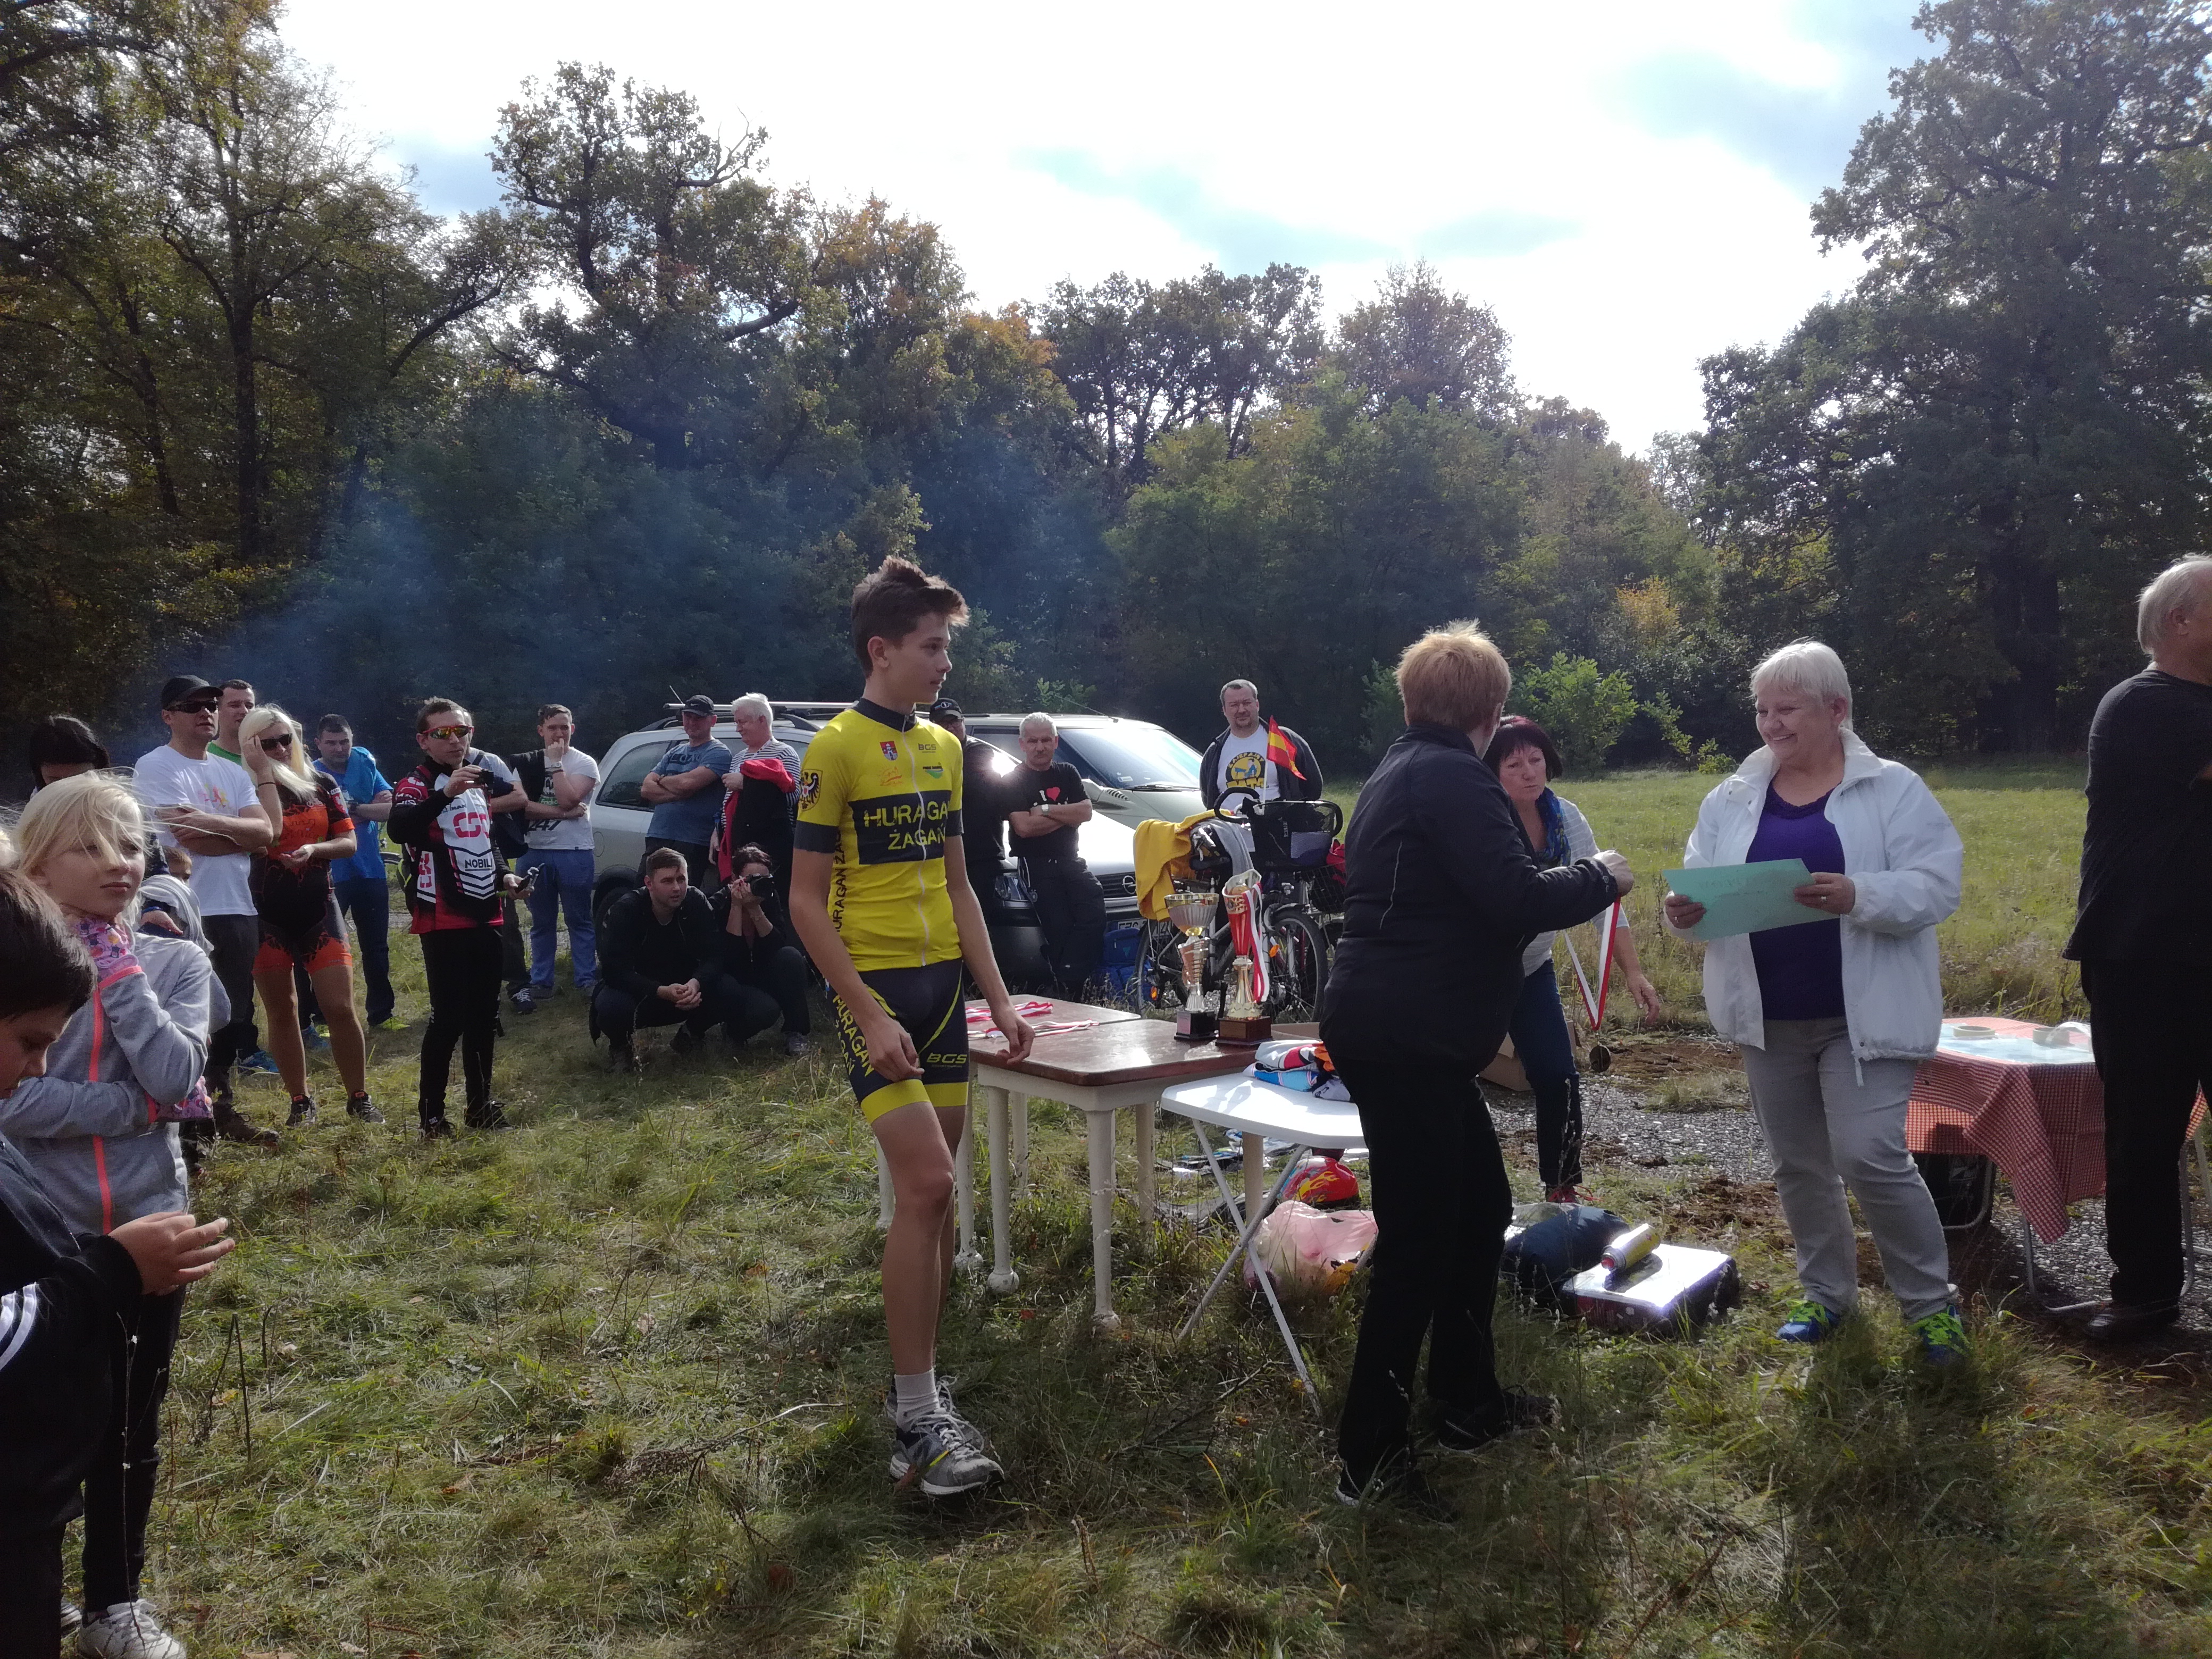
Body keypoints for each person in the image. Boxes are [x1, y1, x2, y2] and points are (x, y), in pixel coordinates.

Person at [1320, 623, 1632, 1512]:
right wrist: (1600, 876)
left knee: (1480, 1210)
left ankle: (1468, 1401)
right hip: (1409, 1035)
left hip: (1407, 1030)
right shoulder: (1454, 777)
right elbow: (1513, 897)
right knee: (1418, 1241)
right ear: (1492, 712)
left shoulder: (1399, 768)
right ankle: (1370, 1462)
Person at [788, 555, 1035, 1499]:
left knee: (934, 1200)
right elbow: (805, 903)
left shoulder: (943, 747)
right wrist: (863, 1009)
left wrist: (998, 997)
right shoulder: (834, 750)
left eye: (946, 647)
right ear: (880, 650)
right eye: (931, 647)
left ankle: (918, 1393)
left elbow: (961, 886)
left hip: (945, 997)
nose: (945, 662)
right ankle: (919, 1416)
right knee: (928, 1184)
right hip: (879, 995)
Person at [1664, 640, 1966, 1364]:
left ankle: (1931, 1309)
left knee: (1869, 1156)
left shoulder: (1892, 790)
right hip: (1767, 1017)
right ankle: (1827, 1297)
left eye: (1787, 709)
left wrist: (1859, 893)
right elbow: (1702, 882)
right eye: (1762, 710)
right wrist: (1685, 912)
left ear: (1837, 710)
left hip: (1863, 1018)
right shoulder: (1732, 796)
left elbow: (1938, 886)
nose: (1770, 724)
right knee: (1798, 1164)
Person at [5, 777, 237, 1659]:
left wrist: (120, 970)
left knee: (132, 1422)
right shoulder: (19, 974)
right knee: (36, 1415)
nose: (120, 864)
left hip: (151, 1222)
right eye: (91, 847)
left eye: (132, 845)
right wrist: (131, 1109)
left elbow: (179, 1079)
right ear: (37, 865)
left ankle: (116, 1602)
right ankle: (35, 1581)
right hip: (40, 1231)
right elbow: (14, 1104)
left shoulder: (174, 962)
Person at [2065, 556, 2212, 1342]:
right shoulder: (2145, 705)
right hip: (2143, 956)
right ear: (2179, 622)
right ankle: (2144, 1295)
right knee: (2144, 1134)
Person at [1484, 716, 1663, 1203]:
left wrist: (1634, 972)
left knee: (1558, 1076)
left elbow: (1604, 895)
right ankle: (1470, 1193)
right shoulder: (1483, 820)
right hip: (1476, 974)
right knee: (1455, 1081)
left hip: (1532, 968)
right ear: (1490, 771)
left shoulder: (1566, 816)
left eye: (1536, 759)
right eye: (1513, 764)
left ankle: (1562, 1188)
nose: (1529, 772)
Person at [131, 675, 281, 1146]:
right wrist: (237, 833)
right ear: (167, 716)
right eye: (192, 705)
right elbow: (186, 836)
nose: (206, 712)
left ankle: (221, 1109)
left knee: (233, 1014)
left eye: (212, 704)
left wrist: (217, 830)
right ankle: (184, 1125)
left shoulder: (230, 771)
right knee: (184, 1017)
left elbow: (265, 834)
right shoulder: (155, 765)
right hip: (185, 908)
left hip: (236, 905)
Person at [387, 699, 529, 1138]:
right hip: (442, 913)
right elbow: (399, 829)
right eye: (443, 733)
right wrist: (445, 793)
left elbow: (486, 839)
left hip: (486, 909)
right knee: (449, 1018)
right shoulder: (415, 783)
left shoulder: (478, 781)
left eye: (462, 731)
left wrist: (507, 877)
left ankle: (481, 1105)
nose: (455, 741)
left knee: (485, 1015)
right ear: (424, 740)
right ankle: (432, 1116)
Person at [236, 707, 380, 1128]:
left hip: (319, 905)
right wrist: (263, 777)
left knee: (339, 1006)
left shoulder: (320, 783)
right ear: (250, 747)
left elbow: (349, 842)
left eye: (286, 740)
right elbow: (253, 841)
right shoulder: (241, 789)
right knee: (282, 1011)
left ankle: (359, 1097)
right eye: (268, 744)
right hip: (265, 913)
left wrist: (315, 849)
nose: (280, 749)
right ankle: (300, 1100)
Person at [593, 850, 744, 1068]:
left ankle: (690, 1035)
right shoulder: (626, 910)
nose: (676, 888)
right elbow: (613, 971)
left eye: (681, 879)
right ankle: (620, 1046)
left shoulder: (695, 901)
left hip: (686, 989)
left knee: (730, 990)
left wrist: (696, 983)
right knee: (611, 1006)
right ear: (649, 883)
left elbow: (715, 955)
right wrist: (660, 991)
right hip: (641, 992)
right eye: (667, 881)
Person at [1005, 713, 1105, 1000]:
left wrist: (1047, 811)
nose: (1040, 747)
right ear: (1022, 744)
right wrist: (1067, 816)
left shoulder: (1067, 773)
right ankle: (1066, 991)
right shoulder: (1013, 780)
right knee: (1059, 927)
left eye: (1046, 740)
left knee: (1093, 915)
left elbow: (1086, 812)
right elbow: (1024, 828)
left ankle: (1069, 983)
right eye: (1033, 741)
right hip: (1036, 864)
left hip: (1072, 860)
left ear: (1056, 742)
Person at [312, 716, 403, 1031]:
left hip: (370, 870)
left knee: (377, 947)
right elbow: (319, 823)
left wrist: (350, 811)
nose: (340, 749)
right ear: (318, 744)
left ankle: (382, 1014)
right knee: (325, 949)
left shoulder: (364, 765)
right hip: (330, 874)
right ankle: (321, 1018)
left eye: (345, 742)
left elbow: (391, 810)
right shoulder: (310, 775)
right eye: (332, 743)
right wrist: (367, 809)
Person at [510, 704, 600, 1009]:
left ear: (573, 729)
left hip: (575, 851)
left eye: (564, 727)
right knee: (542, 922)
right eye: (552, 728)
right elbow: (521, 807)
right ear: (541, 731)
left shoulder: (585, 763)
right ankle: (542, 981)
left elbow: (569, 799)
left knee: (579, 919)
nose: (559, 733)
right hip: (533, 850)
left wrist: (556, 764)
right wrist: (563, 814)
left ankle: (586, 979)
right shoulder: (525, 763)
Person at [715, 844, 811, 1055]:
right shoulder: (719, 902)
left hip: (763, 971)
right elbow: (730, 956)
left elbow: (777, 945)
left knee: (791, 957)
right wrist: (737, 906)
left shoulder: (769, 898)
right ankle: (733, 1032)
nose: (759, 885)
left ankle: (796, 1031)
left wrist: (755, 908)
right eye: (752, 879)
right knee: (765, 1010)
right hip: (736, 980)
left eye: (765, 879)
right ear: (735, 879)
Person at [928, 698, 1009, 934]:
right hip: (942, 855)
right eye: (943, 724)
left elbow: (968, 786)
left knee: (980, 923)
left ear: (963, 722)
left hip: (982, 854)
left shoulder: (979, 751)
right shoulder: (927, 755)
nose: (951, 728)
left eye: (955, 722)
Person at [639, 694, 732, 889]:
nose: (692, 722)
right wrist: (680, 792)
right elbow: (646, 789)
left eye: (698, 718)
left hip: (693, 841)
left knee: (680, 895)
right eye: (688, 717)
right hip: (658, 834)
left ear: (713, 720)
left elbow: (687, 784)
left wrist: (662, 780)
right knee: (646, 892)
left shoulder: (719, 752)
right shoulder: (675, 751)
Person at [1199, 679, 1323, 810]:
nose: (1241, 710)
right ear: (1224, 710)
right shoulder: (1215, 751)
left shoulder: (1284, 739)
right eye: (1234, 705)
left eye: (1247, 703)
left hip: (1280, 822)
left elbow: (1313, 787)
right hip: (1228, 823)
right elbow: (1208, 797)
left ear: (1257, 705)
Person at [27, 715, 109, 790]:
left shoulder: (113, 798)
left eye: (79, 780)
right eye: (55, 782)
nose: (68, 790)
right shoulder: (38, 800)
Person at [205, 679, 254, 766]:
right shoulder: (203, 755)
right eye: (235, 706)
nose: (244, 711)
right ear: (218, 710)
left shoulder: (270, 754)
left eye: (249, 706)